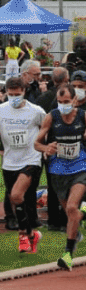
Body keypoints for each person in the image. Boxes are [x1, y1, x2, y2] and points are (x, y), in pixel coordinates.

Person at [32, 82, 86, 269]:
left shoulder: (83, 115)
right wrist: (46, 147)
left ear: (74, 100)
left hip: (79, 167)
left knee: (72, 207)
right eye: (59, 101)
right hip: (57, 170)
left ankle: (68, 253)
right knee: (70, 212)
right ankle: (85, 216)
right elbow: (36, 143)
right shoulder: (51, 117)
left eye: (66, 101)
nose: (62, 104)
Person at [3, 76, 47, 253]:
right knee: (17, 199)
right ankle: (31, 234)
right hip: (9, 161)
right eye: (10, 94)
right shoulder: (1, 110)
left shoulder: (35, 111)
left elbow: (46, 129)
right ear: (6, 92)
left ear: (24, 92)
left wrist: (44, 148)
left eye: (17, 94)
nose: (14, 97)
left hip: (31, 159)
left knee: (16, 194)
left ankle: (22, 236)